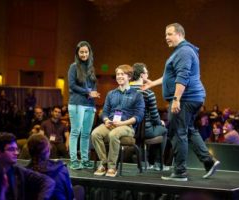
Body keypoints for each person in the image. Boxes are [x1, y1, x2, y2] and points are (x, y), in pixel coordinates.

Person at [142, 23, 220, 181]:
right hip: (192, 97)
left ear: (180, 34)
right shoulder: (183, 51)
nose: (166, 38)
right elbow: (172, 75)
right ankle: (209, 162)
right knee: (189, 130)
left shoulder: (183, 51)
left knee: (178, 132)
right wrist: (152, 84)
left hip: (185, 98)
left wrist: (176, 99)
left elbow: (182, 76)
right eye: (165, 35)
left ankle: (179, 172)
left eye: (169, 34)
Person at [91, 64, 145, 177]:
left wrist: (122, 123)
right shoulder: (111, 94)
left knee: (114, 134)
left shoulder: (137, 95)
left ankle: (112, 166)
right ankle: (104, 162)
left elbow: (139, 116)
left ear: (129, 77)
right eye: (117, 74)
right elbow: (104, 112)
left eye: (122, 74)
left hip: (127, 126)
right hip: (111, 123)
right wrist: (106, 120)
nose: (119, 76)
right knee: (95, 134)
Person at [0, 132, 55, 200]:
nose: (16, 153)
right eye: (11, 149)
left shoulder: (18, 170)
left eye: (16, 149)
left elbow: (48, 181)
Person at [68, 41, 100, 170]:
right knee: (76, 132)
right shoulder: (74, 67)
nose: (84, 54)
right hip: (77, 103)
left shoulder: (91, 67)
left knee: (86, 134)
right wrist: (88, 92)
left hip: (89, 105)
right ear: (77, 53)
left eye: (86, 52)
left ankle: (85, 160)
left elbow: (93, 85)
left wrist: (94, 95)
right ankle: (74, 160)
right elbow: (72, 85)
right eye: (81, 52)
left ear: (89, 53)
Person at [130, 62, 168, 170]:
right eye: (147, 73)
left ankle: (144, 161)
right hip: (144, 131)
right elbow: (155, 116)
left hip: (129, 128)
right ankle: (157, 163)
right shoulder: (148, 93)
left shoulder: (127, 90)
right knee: (163, 130)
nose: (148, 75)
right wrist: (160, 122)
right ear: (142, 75)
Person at [26, 134, 75, 200]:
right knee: (79, 189)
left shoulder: (23, 174)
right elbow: (70, 196)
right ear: (48, 150)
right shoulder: (62, 169)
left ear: (29, 151)